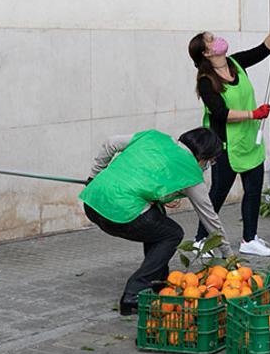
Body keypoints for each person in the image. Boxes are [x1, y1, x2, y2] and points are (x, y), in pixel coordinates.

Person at [80, 127, 233, 315]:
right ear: (203, 157)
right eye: (209, 162)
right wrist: (228, 256)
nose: (207, 166)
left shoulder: (153, 137)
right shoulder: (191, 171)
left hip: (91, 202)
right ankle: (133, 293)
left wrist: (93, 176)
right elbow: (210, 218)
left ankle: (159, 280)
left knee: (158, 220)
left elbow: (111, 142)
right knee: (172, 233)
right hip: (122, 214)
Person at [187, 15, 270, 258]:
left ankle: (249, 239)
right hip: (225, 147)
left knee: (253, 190)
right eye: (210, 40)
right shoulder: (205, 81)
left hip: (249, 142)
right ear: (205, 53)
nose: (216, 39)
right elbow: (221, 113)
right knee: (217, 195)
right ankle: (201, 240)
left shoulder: (236, 63)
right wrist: (253, 113)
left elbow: (265, 49)